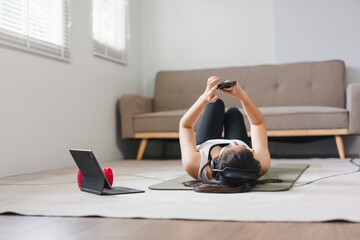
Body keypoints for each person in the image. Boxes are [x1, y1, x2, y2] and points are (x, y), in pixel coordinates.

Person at [179, 75, 273, 193]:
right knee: (233, 113)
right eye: (243, 148)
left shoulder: (194, 165)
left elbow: (185, 126)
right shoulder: (260, 165)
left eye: (229, 147)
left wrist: (204, 99)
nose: (232, 142)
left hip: (207, 142)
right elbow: (257, 123)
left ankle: (213, 104)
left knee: (215, 104)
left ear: (216, 162)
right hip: (240, 148)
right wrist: (242, 96)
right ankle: (237, 142)